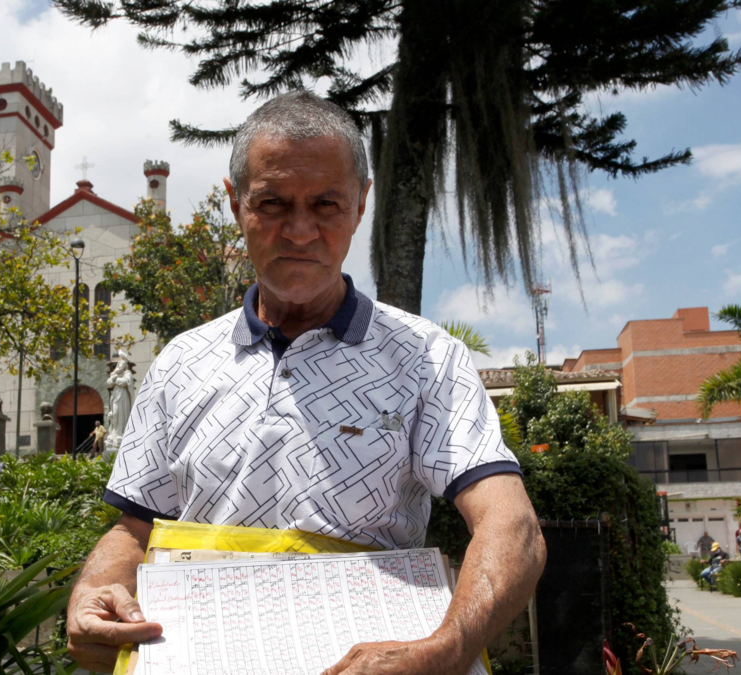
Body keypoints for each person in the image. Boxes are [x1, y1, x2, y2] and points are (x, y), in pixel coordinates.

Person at [65, 90, 546, 674]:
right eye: (272, 203)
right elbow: (134, 526)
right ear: (236, 203)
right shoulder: (181, 362)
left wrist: (446, 649)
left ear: (361, 204)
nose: (299, 231)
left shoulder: (425, 358)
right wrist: (93, 592)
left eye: (326, 204)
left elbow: (510, 525)